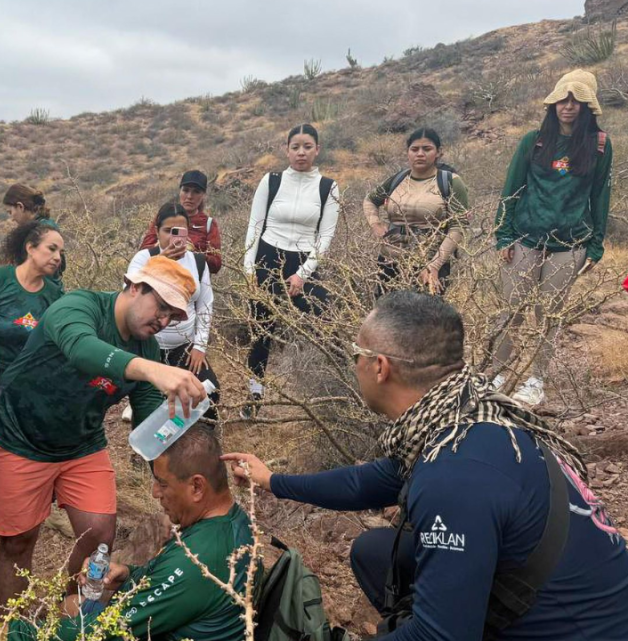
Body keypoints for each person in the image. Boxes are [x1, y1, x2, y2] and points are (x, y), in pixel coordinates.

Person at [223, 291, 628, 640]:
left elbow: (442, 636)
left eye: (356, 355)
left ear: (380, 367)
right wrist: (273, 480)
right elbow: (373, 480)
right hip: (579, 598)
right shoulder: (469, 416)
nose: (355, 364)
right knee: (377, 552)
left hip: (580, 630)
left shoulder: (452, 473)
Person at [0, 255, 207, 608]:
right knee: (18, 540)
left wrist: (175, 479)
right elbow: (81, 348)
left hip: (82, 444)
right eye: (161, 307)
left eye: (172, 316)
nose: (163, 321)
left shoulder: (145, 346)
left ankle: (70, 606)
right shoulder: (78, 307)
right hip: (21, 437)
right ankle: (12, 627)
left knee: (99, 537)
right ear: (134, 286)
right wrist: (151, 370)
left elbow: (149, 424)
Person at [8, 426, 255, 641]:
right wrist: (127, 574)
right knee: (70, 605)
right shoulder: (230, 520)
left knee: (67, 614)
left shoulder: (199, 562)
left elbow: (106, 630)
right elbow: (168, 581)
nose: (155, 493)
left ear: (197, 486)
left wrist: (12, 634)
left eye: (163, 483)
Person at [492, 70, 613, 406]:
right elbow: (511, 190)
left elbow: (600, 194)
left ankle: (536, 379)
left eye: (577, 100)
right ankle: (497, 373)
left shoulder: (599, 145)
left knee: (549, 313)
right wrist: (503, 236)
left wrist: (596, 243)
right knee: (511, 309)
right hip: (525, 237)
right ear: (554, 103)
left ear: (588, 105)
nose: (568, 106)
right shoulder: (534, 140)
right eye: (563, 99)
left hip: (571, 243)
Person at [242, 124, 340, 418]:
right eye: (295, 146)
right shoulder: (270, 181)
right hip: (267, 258)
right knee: (262, 330)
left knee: (328, 322)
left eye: (307, 146)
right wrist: (250, 272)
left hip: (303, 262)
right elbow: (254, 227)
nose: (301, 153)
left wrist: (303, 274)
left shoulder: (327, 187)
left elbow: (326, 237)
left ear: (317, 150)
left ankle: (340, 389)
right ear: (286, 149)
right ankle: (254, 395)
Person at [127, 203, 219, 421]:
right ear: (157, 231)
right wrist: (161, 262)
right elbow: (130, 294)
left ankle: (197, 441)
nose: (173, 237)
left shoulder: (197, 262)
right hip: (149, 345)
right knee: (151, 403)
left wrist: (199, 346)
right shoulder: (143, 258)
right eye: (168, 231)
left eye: (179, 232)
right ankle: (153, 449)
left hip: (185, 344)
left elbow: (205, 303)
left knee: (208, 392)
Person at [363, 128, 470, 298]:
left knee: (424, 317)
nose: (420, 154)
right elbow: (370, 200)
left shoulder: (450, 182)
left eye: (427, 149)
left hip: (429, 260)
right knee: (387, 317)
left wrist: (434, 266)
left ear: (438, 152)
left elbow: (458, 226)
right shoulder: (399, 179)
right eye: (414, 149)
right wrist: (375, 223)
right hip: (390, 260)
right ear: (408, 153)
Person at [0, 220, 65, 375]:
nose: (58, 257)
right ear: (30, 248)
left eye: (61, 253)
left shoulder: (55, 296)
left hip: (24, 386)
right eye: (52, 249)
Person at [140, 170, 223, 275]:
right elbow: (143, 251)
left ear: (203, 195)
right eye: (186, 190)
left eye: (196, 192)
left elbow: (216, 264)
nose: (189, 196)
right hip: (160, 277)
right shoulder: (164, 216)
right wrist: (161, 248)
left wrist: (191, 253)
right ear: (180, 191)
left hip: (192, 283)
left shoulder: (208, 224)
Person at [3, 183, 66, 279]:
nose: (11, 218)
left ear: (20, 206)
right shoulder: (44, 226)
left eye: (10, 212)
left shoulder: (43, 230)